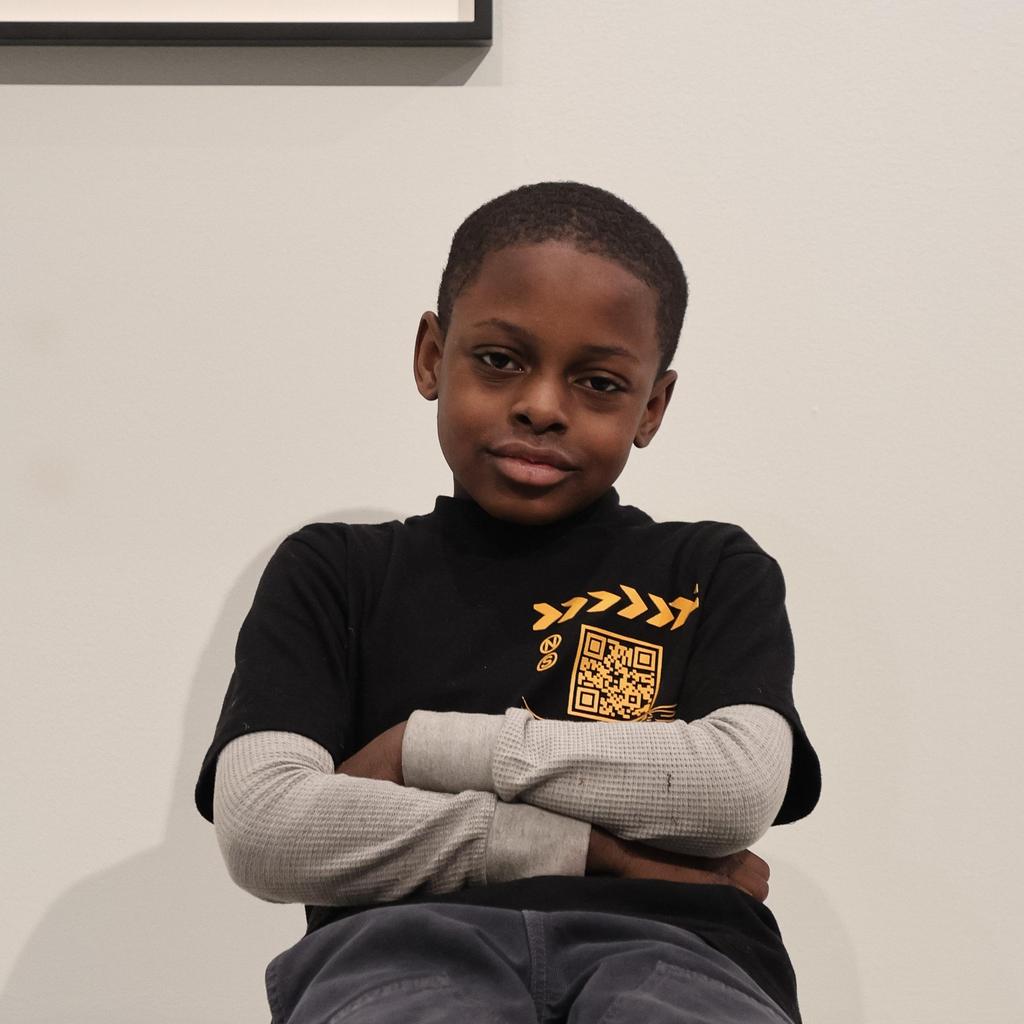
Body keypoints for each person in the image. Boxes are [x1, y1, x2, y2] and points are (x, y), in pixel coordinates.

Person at [195, 181, 821, 1023]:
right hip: (396, 952)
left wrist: (423, 748)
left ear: (653, 407)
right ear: (430, 355)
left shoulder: (713, 567)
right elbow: (267, 825)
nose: (540, 405)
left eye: (598, 382)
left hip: (682, 954)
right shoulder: (334, 571)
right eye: (499, 360)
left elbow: (733, 788)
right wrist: (599, 852)